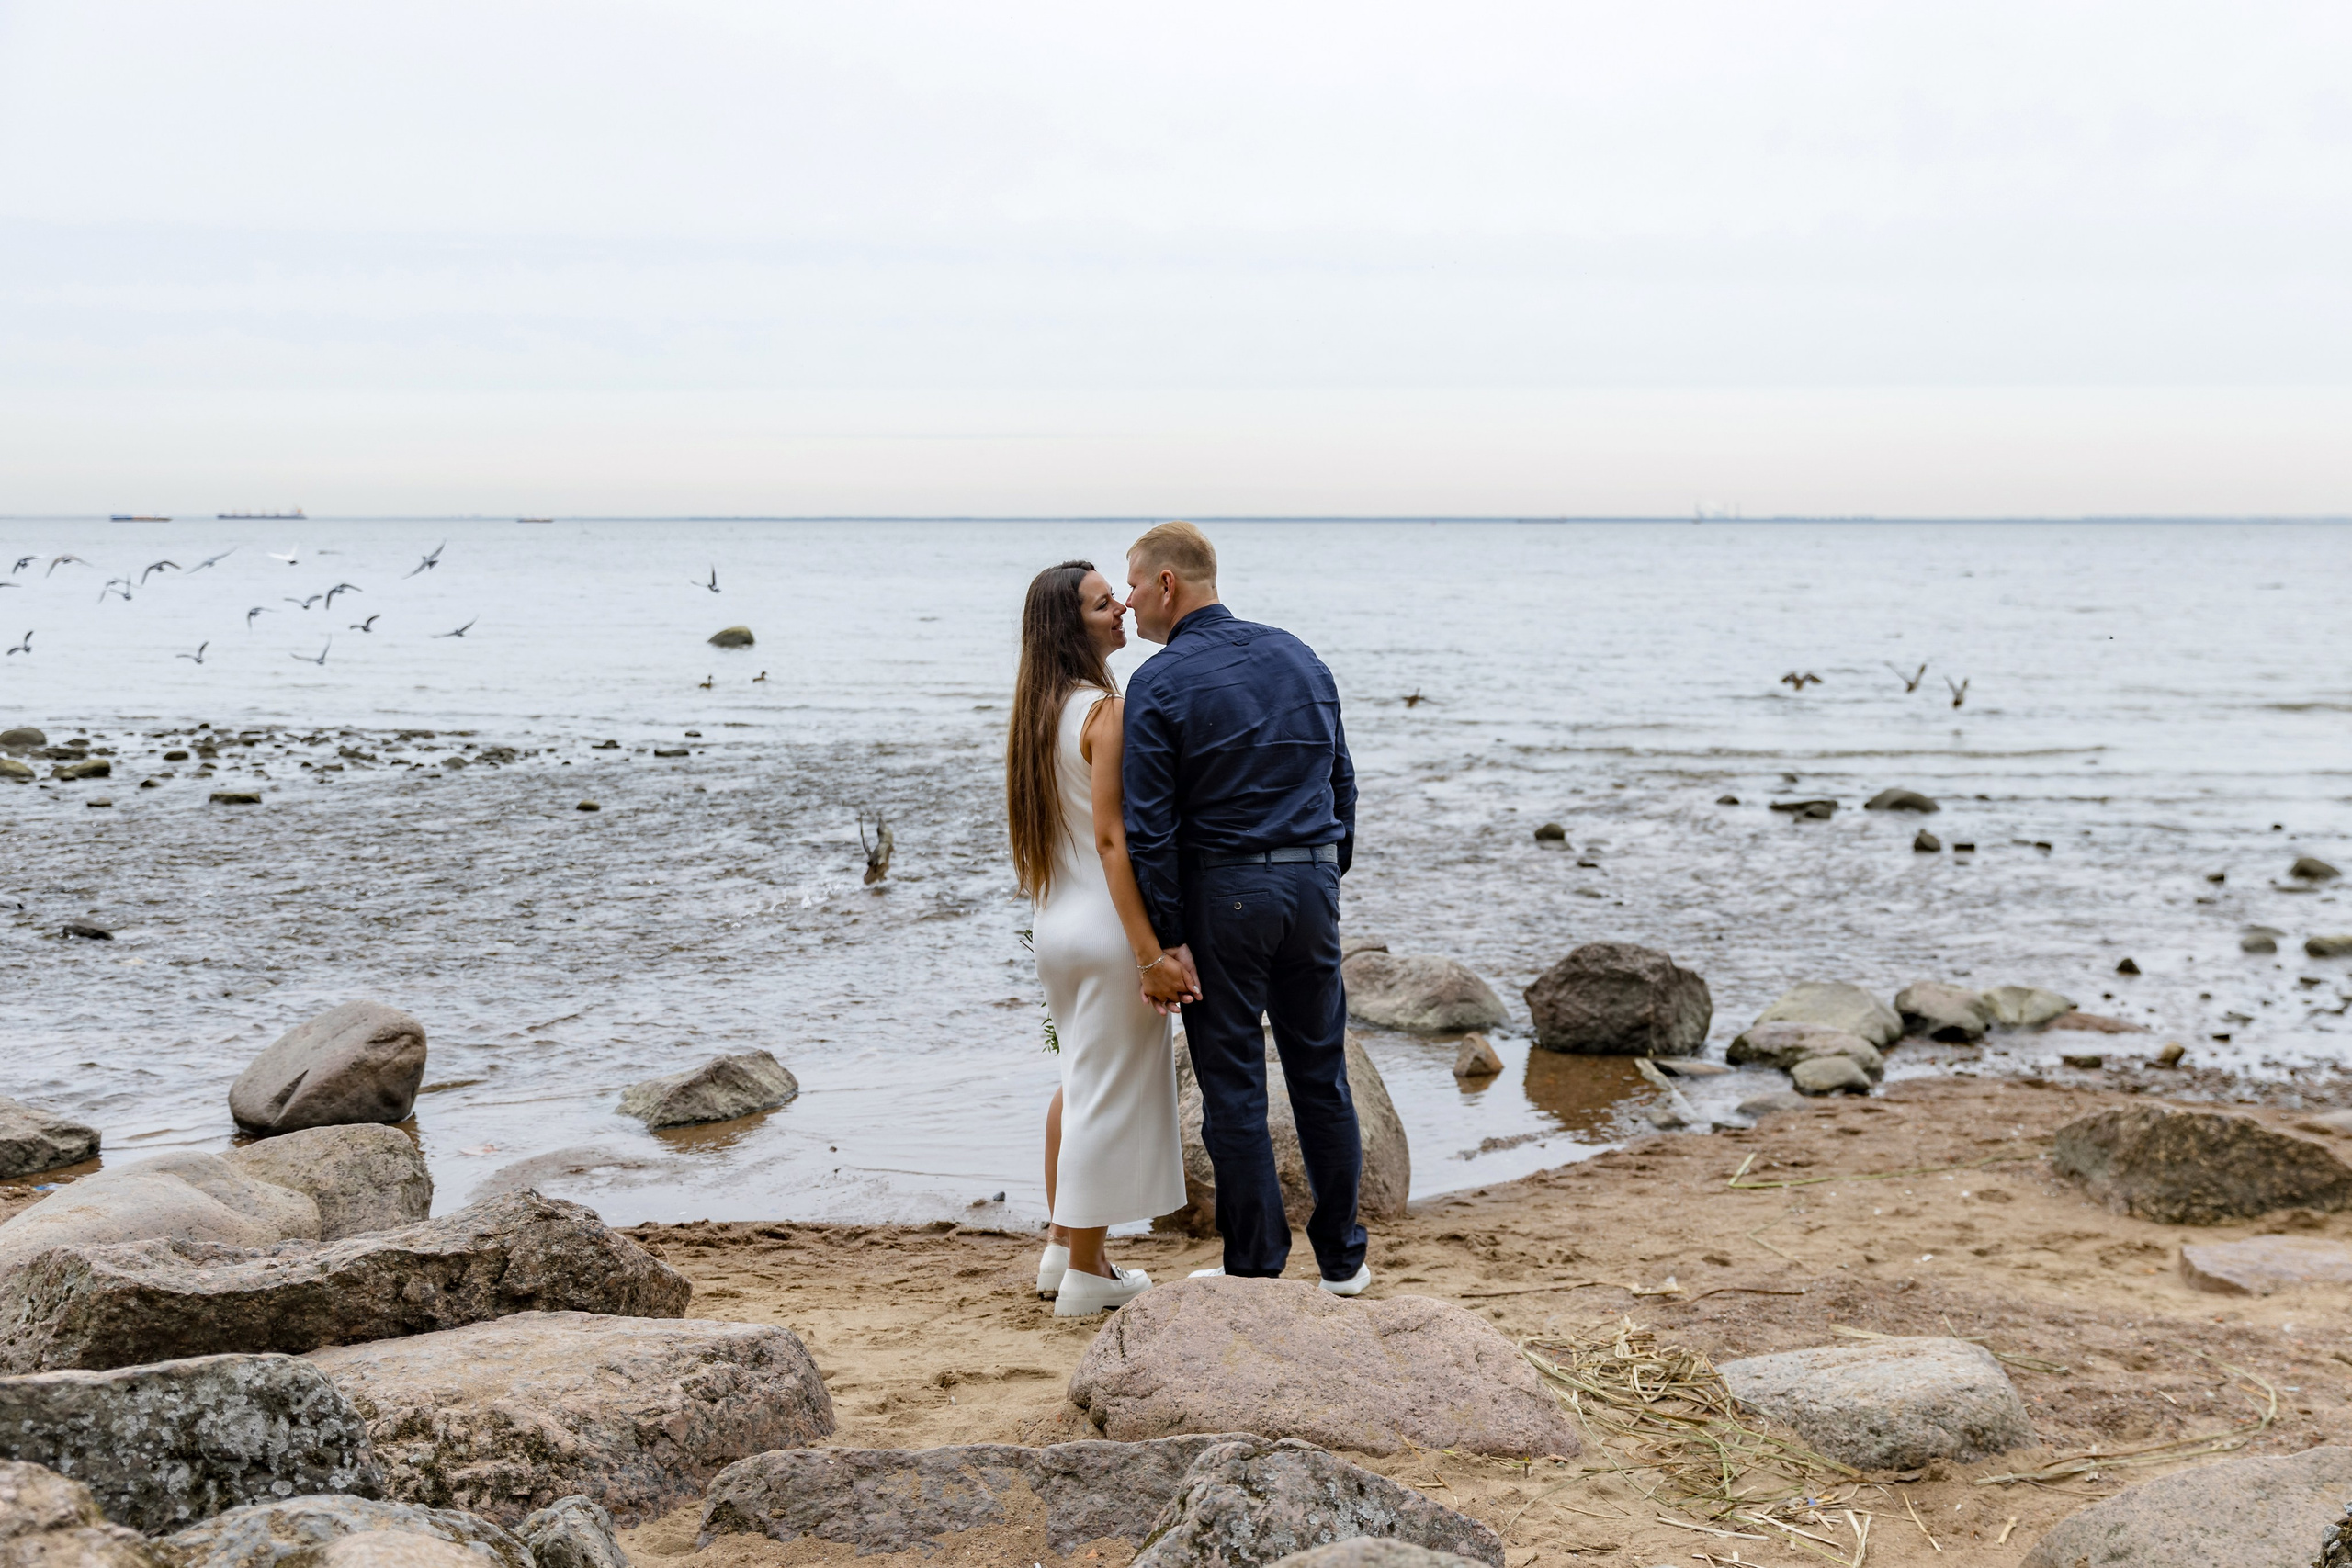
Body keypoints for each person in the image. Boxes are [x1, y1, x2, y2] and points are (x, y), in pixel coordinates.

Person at [1119, 522, 1368, 1293]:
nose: (1127, 602)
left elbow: (1148, 826)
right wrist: (1326, 872)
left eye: (1132, 584)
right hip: (1310, 885)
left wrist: (1168, 937)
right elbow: (1342, 780)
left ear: (1167, 584)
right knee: (1321, 1072)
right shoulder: (1300, 654)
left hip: (1224, 894)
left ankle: (1256, 1269)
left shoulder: (1158, 682)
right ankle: (1342, 1261)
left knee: (1233, 1084)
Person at [1005, 559, 1196, 1315]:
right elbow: (1116, 842)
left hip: (1056, 926)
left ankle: (1062, 1248)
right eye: (1099, 602)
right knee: (1104, 1094)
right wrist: (1151, 953)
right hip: (1109, 927)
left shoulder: (1037, 712)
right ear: (1068, 625)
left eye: (1114, 595)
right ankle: (1089, 1272)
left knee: (1081, 1082)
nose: (1120, 606)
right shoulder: (1104, 712)